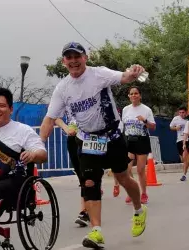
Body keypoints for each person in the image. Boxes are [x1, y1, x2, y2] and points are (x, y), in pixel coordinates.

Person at [40, 42, 147, 248]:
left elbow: (124, 77)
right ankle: (96, 231)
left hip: (113, 136)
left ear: (85, 58)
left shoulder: (99, 74)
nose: (73, 61)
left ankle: (138, 209)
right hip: (87, 139)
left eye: (76, 57)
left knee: (123, 177)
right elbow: (49, 118)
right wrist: (38, 144)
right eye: (68, 58)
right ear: (64, 62)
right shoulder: (62, 88)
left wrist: (135, 72)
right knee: (89, 183)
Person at [0, 88, 47, 250]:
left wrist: (32, 155)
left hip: (13, 181)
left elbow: (42, 154)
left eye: (1, 106)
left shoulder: (22, 131)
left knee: (0, 187)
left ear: (11, 109)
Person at [121, 86, 156, 204]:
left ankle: (144, 193)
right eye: (131, 94)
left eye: (136, 93)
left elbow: (153, 126)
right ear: (129, 96)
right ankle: (131, 192)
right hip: (129, 141)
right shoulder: (126, 109)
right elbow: (123, 126)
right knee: (126, 169)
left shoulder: (146, 109)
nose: (134, 95)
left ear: (140, 95)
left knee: (140, 170)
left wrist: (145, 121)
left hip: (142, 141)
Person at [55, 117, 90, 227]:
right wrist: (66, 128)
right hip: (73, 138)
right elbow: (55, 117)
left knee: (88, 174)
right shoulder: (65, 99)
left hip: (91, 137)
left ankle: (85, 211)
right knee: (82, 176)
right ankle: (85, 211)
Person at [170, 106, 189, 181]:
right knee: (182, 159)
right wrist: (175, 128)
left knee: (185, 158)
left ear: (186, 113)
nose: (181, 114)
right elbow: (171, 127)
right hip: (179, 140)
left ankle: (184, 175)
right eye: (180, 113)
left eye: (183, 112)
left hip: (187, 140)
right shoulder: (176, 118)